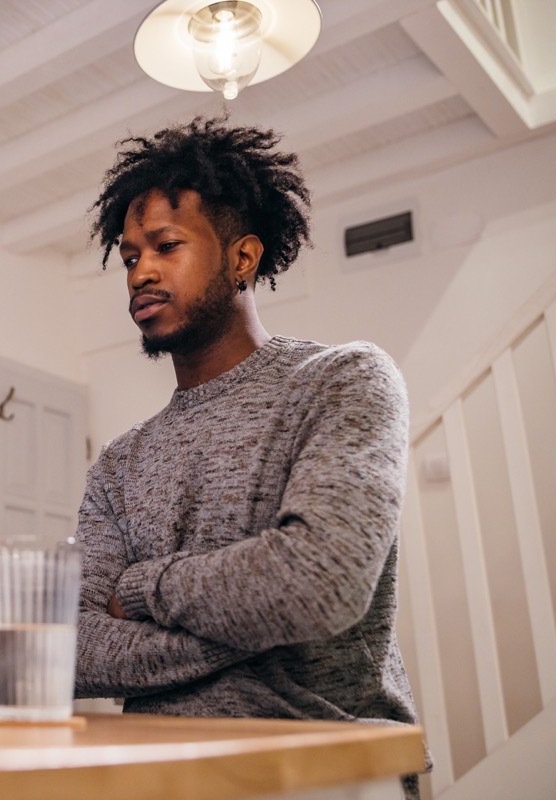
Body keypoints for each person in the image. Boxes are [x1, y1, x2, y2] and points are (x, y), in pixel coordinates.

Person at [74, 115, 427, 797]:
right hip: (150, 769)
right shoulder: (119, 463)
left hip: (321, 763)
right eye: (128, 257)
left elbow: (317, 583)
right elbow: (76, 648)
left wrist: (142, 590)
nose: (140, 271)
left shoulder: (344, 379)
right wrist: (258, 628)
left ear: (242, 258)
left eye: (165, 245)